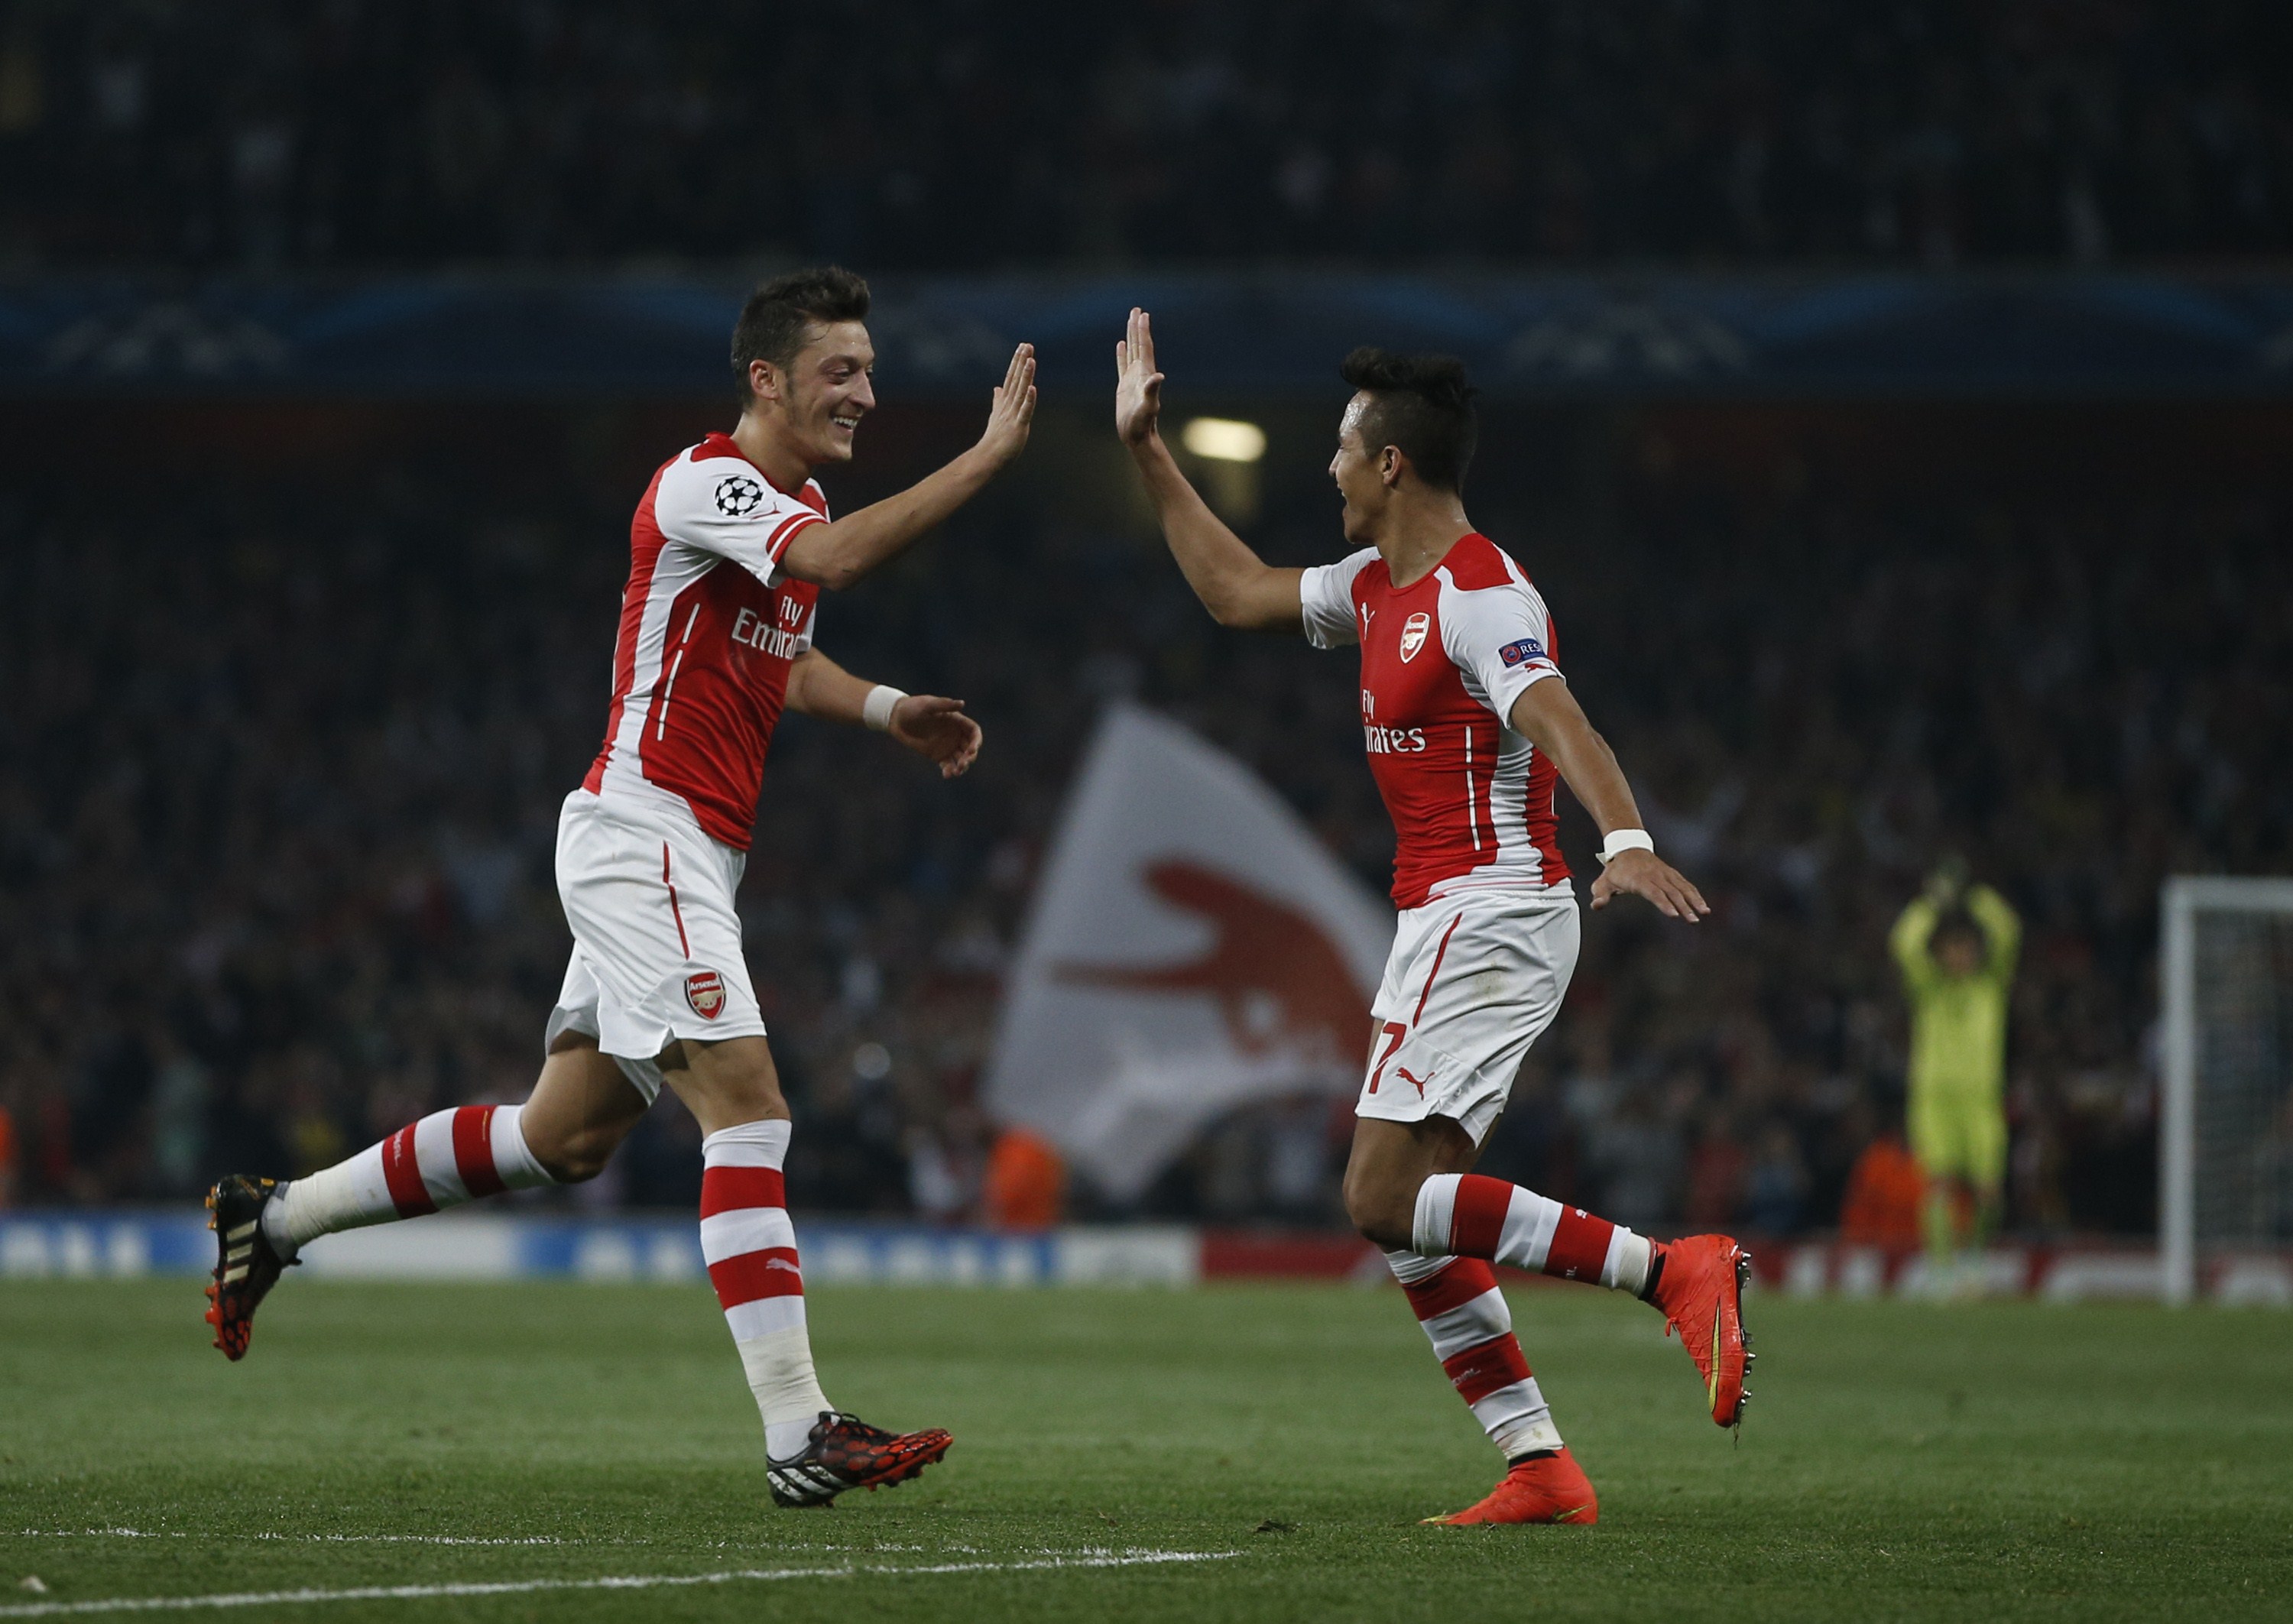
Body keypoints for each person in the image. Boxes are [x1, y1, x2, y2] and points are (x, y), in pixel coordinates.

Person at [206, 267, 1036, 1509]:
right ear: (766, 378)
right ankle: (798, 1430)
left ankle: (267, 1221)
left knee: (566, 1136)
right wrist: (985, 456)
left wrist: (884, 709)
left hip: (682, 848)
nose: (866, 391)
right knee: (749, 1107)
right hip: (644, 829)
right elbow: (840, 560)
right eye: (841, 370)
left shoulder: (783, 504)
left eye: (869, 368)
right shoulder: (707, 482)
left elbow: (784, 651)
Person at [1114, 310, 1751, 1527]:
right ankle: (1539, 1466)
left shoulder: (1478, 592)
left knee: (1376, 1194)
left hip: (1494, 902)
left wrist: (1624, 838)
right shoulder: (1374, 586)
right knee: (1414, 1215)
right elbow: (1237, 590)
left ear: (1391, 463)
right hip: (1442, 914)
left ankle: (1675, 1271)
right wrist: (1149, 450)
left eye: (1345, 449)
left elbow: (1556, 711)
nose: (1332, 470)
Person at [1890, 864, 2020, 1289]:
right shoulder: (1929, 989)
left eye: (1966, 948)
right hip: (1934, 1099)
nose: (1959, 956)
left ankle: (1975, 1260)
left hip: (1982, 1101)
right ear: (1942, 953)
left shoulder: (1990, 988)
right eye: (1952, 949)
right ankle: (1942, 1270)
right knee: (1939, 1185)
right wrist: (1932, 902)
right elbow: (1904, 942)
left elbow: (2008, 931)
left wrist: (1974, 895)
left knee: (1988, 1190)